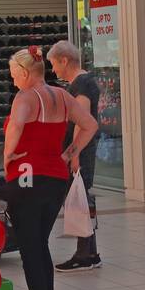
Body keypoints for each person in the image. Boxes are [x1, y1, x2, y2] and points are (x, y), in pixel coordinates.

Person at [2, 45, 98, 290]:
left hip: (27, 177)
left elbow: (16, 128)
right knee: (40, 243)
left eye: (13, 74)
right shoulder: (63, 95)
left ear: (24, 72)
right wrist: (70, 153)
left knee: (30, 249)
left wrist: (7, 158)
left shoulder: (26, 97)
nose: (13, 79)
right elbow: (90, 124)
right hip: (56, 177)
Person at [47, 40, 103, 270]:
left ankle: (83, 255)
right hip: (79, 150)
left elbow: (82, 120)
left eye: (54, 64)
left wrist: (73, 154)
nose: (53, 70)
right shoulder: (84, 81)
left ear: (64, 60)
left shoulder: (81, 84)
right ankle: (90, 253)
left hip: (79, 151)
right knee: (81, 197)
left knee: (77, 197)